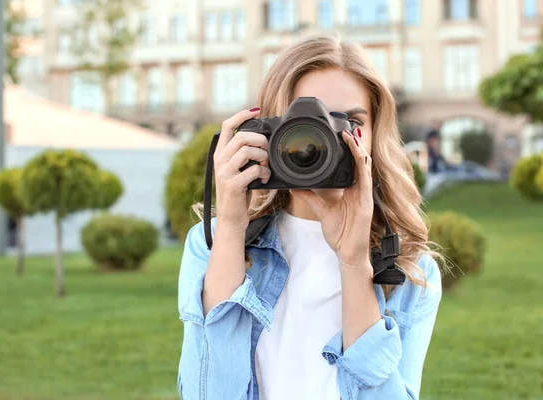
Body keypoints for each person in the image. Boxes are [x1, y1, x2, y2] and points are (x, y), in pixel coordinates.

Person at [177, 36, 442, 400]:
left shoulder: (411, 269)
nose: (322, 139)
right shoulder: (209, 245)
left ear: (373, 136)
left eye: (349, 121)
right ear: (267, 131)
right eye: (302, 122)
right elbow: (206, 394)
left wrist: (353, 262)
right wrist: (232, 228)